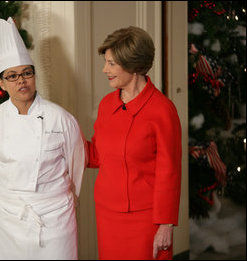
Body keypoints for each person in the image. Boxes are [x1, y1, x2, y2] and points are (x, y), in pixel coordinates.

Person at [0, 17, 87, 260]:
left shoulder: (61, 118)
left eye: (26, 73)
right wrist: (12, 196)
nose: (22, 81)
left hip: (55, 215)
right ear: (2, 83)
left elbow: (77, 163)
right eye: (13, 76)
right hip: (9, 215)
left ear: (34, 76)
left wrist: (62, 198)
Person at [87, 26, 182, 260]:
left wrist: (166, 224)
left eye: (111, 63)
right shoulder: (107, 104)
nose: (104, 69)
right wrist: (63, 134)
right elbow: (98, 155)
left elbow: (169, 170)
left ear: (132, 65)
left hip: (147, 218)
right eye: (105, 62)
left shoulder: (162, 110)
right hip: (107, 213)